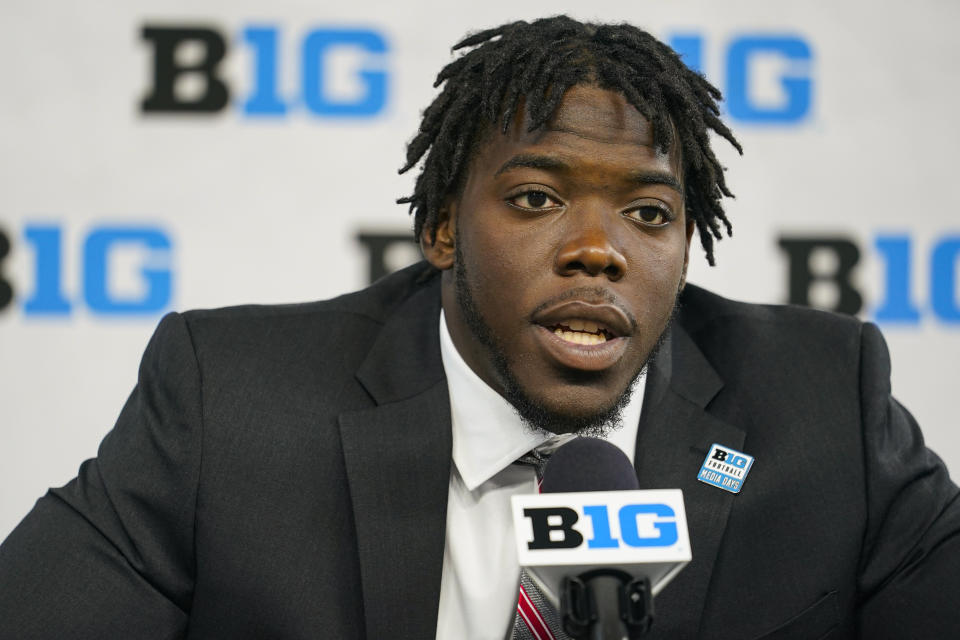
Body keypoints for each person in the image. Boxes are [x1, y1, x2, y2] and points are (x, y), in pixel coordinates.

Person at [1, 15, 959, 640]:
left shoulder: (826, 404)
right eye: (539, 198)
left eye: (651, 214)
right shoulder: (231, 401)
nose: (600, 250)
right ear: (443, 228)